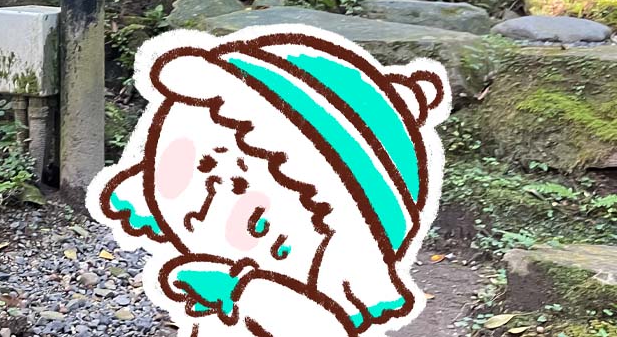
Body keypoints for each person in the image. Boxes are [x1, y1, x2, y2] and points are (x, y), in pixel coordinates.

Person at [87, 26, 450, 336]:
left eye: (257, 223)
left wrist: (246, 292)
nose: (208, 212)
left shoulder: (291, 298)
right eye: (199, 169)